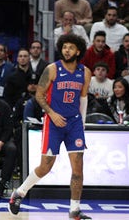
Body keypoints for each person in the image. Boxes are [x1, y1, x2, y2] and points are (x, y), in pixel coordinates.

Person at [9, 34, 92, 220]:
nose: (67, 50)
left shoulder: (85, 72)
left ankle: (74, 210)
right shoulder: (52, 69)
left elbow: (84, 99)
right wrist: (52, 114)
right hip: (53, 122)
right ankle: (19, 193)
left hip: (74, 123)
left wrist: (82, 125)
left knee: (78, 169)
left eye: (71, 47)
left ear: (78, 51)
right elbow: (39, 95)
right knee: (46, 166)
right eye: (64, 47)